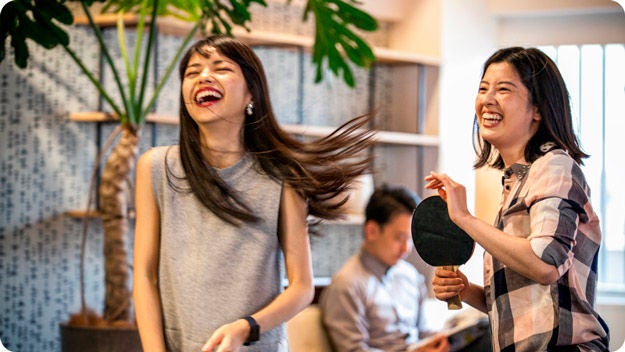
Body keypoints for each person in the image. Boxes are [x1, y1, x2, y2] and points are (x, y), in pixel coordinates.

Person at [133, 35, 375, 352]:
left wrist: (246, 327)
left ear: (251, 92)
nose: (203, 76)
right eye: (192, 72)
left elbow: (302, 287)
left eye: (220, 68)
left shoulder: (281, 177)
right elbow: (145, 276)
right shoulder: (155, 168)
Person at [426, 47, 610, 351]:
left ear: (537, 109)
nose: (487, 99)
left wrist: (464, 218)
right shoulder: (517, 181)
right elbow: (527, 308)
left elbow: (544, 264)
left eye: (503, 89)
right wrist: (467, 290)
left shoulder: (555, 166)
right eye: (483, 88)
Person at [319, 185, 450, 352]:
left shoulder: (409, 275)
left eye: (410, 239)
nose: (406, 248)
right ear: (372, 231)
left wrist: (442, 339)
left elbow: (422, 332)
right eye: (399, 238)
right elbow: (354, 350)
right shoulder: (347, 285)